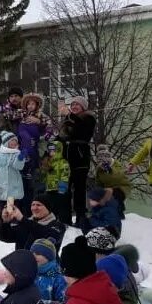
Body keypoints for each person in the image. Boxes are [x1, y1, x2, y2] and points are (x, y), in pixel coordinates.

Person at [59, 97, 96, 226]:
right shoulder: (69, 120)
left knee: (79, 188)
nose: (74, 106)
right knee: (64, 188)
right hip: (66, 158)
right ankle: (65, 217)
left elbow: (82, 132)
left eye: (77, 105)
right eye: (72, 104)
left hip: (80, 158)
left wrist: (69, 115)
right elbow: (62, 136)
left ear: (83, 107)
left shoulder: (88, 118)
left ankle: (80, 216)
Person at [0, 194, 66, 252]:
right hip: (22, 264)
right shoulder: (26, 223)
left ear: (48, 208)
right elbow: (5, 237)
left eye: (39, 205)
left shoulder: (58, 225)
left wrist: (22, 219)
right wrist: (5, 222)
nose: (34, 208)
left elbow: (47, 236)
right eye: (33, 205)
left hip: (44, 267)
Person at [93, 144, 132, 218]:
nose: (103, 161)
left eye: (105, 157)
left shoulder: (116, 164)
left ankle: (119, 212)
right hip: (109, 189)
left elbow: (118, 177)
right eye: (100, 159)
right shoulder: (99, 170)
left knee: (115, 194)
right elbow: (98, 183)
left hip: (122, 187)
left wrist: (110, 170)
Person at [41, 140, 71, 224]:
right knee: (51, 209)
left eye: (53, 150)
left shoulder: (63, 162)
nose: (51, 152)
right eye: (50, 150)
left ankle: (64, 224)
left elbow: (65, 175)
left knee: (62, 210)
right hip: (49, 190)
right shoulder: (48, 162)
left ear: (58, 150)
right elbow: (44, 177)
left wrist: (62, 188)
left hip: (59, 191)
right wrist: (44, 168)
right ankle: (52, 224)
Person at [32, 239, 67, 303]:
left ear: (49, 257)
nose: (33, 256)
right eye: (32, 253)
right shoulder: (28, 272)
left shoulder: (58, 279)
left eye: (38, 253)